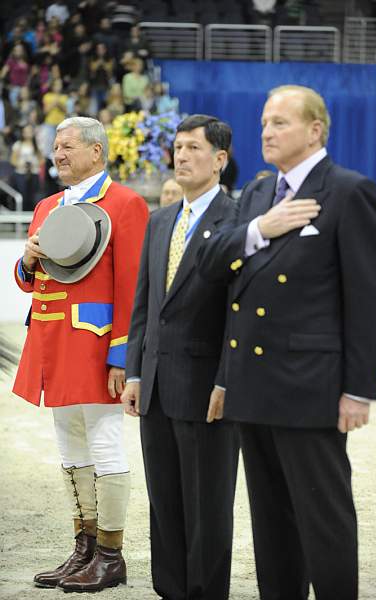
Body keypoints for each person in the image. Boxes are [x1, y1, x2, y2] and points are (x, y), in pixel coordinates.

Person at [197, 85, 376, 600]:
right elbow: (214, 265)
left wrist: (358, 389)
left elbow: (371, 300)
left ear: (315, 130)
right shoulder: (261, 193)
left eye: (280, 122)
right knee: (271, 522)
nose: (266, 131)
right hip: (255, 387)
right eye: (264, 122)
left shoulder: (349, 191)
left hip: (311, 389)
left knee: (323, 519)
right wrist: (259, 227)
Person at [13, 116, 149, 593]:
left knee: (106, 444)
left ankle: (111, 555)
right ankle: (84, 548)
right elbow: (31, 278)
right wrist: (26, 262)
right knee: (71, 448)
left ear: (97, 151)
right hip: (52, 342)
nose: (59, 154)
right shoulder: (47, 205)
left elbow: (133, 284)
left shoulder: (126, 203)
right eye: (56, 147)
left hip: (96, 344)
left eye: (68, 146)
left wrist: (122, 356)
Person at [121, 114, 240, 600]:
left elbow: (241, 316)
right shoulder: (161, 219)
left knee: (208, 506)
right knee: (164, 503)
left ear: (220, 160)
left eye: (194, 147)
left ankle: (205, 592)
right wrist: (133, 371)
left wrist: (227, 380)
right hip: (154, 385)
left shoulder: (237, 222)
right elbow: (144, 304)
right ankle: (169, 589)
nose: (182, 155)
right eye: (178, 146)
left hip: (206, 388)